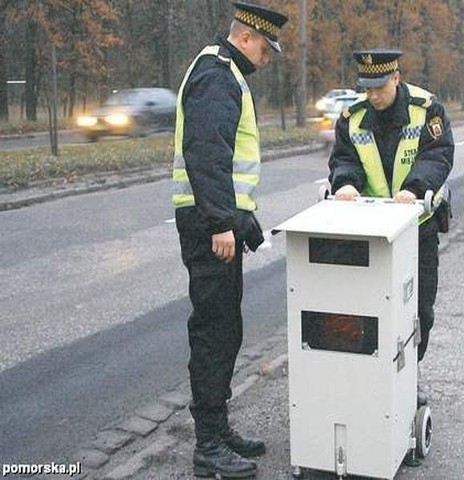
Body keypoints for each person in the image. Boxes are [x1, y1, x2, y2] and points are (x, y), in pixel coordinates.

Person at [172, 3, 288, 478]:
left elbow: (227, 165)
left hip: (216, 220)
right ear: (245, 38)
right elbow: (206, 153)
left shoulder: (226, 74)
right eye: (265, 47)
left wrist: (244, 221)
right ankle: (208, 446)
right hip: (207, 225)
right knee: (215, 332)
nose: (268, 57)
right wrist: (222, 222)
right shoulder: (218, 76)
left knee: (225, 329)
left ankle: (218, 433)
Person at [328, 49, 454, 406]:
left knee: (420, 313)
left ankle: (407, 379)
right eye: (367, 89)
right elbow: (343, 157)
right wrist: (345, 183)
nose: (373, 96)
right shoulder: (352, 117)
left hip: (417, 229)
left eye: (379, 88)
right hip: (369, 234)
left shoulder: (426, 109)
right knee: (368, 311)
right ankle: (371, 380)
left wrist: (414, 189)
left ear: (396, 79)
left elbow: (439, 153)